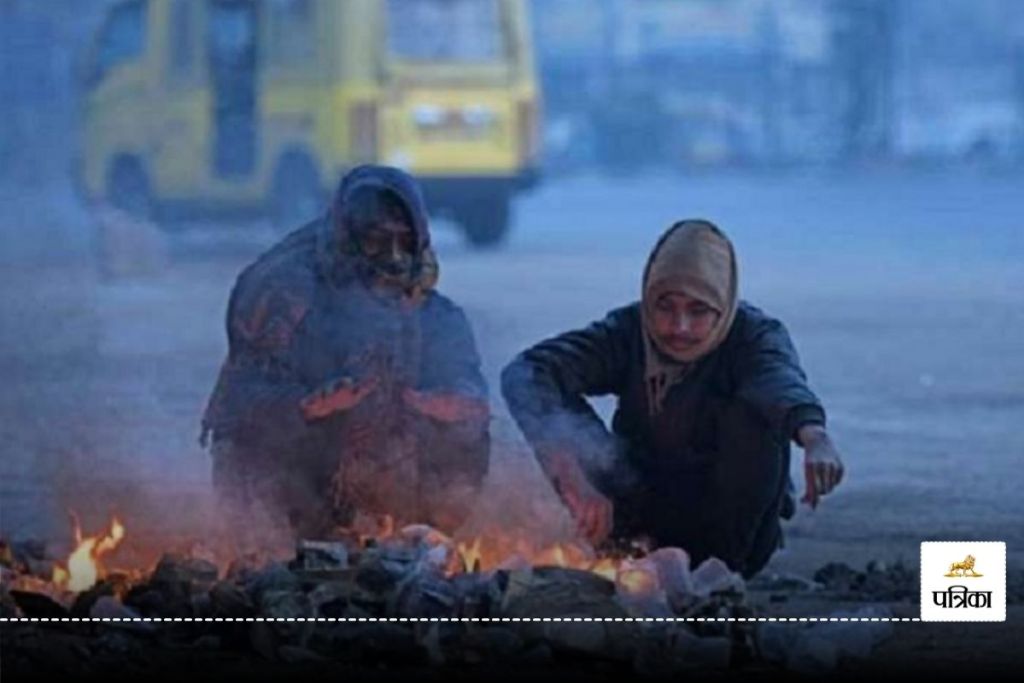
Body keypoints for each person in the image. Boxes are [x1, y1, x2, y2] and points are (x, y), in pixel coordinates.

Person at [501, 220, 844, 578]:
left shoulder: (752, 336)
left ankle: (719, 579)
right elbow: (530, 371)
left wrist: (813, 435)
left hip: (726, 525)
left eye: (698, 311)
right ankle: (627, 556)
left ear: (722, 306)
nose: (679, 327)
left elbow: (777, 380)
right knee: (559, 413)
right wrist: (571, 476)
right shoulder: (628, 331)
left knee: (753, 416)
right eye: (665, 307)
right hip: (639, 515)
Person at [201, 166, 490, 539]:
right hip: (291, 477)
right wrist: (309, 406)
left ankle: (415, 539)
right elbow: (239, 403)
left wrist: (455, 402)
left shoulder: (433, 311)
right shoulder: (285, 295)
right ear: (347, 237)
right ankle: (282, 547)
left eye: (404, 241)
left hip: (384, 476)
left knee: (464, 430)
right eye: (375, 240)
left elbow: (463, 378)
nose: (393, 258)